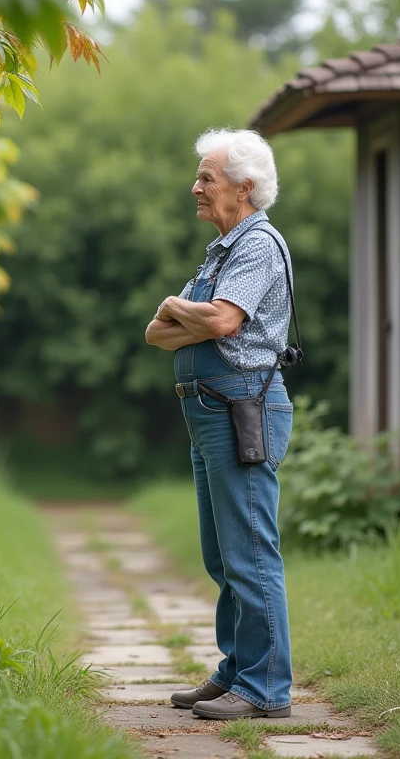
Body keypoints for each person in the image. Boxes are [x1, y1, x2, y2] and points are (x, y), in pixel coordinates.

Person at [144, 128, 296, 720]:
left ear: (245, 187)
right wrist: (189, 318)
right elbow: (155, 335)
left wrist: (177, 306)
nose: (196, 188)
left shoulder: (258, 244)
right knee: (221, 554)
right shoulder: (224, 249)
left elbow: (224, 321)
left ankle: (264, 690)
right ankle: (236, 671)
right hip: (209, 409)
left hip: (242, 407)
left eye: (207, 178)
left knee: (251, 551)